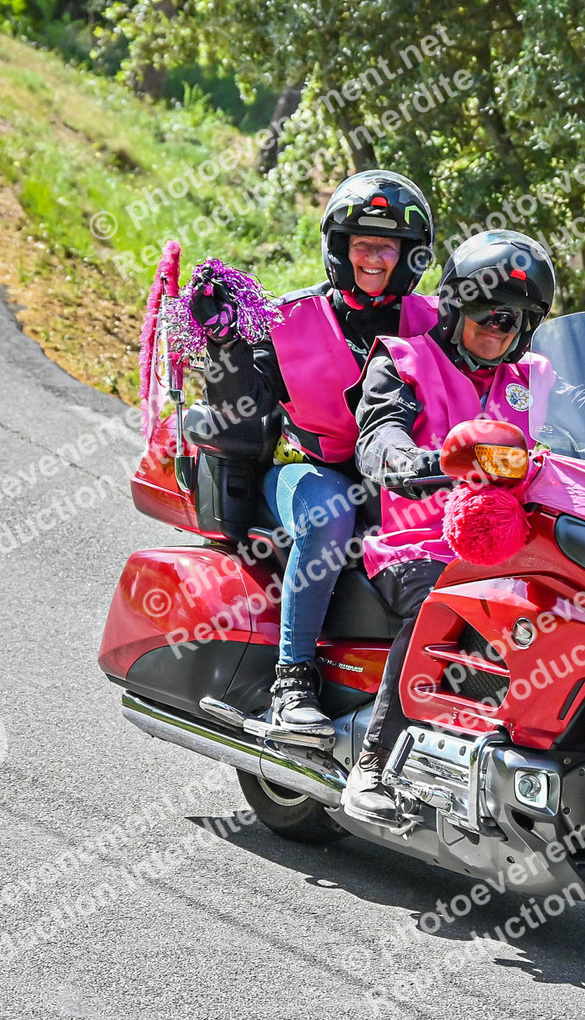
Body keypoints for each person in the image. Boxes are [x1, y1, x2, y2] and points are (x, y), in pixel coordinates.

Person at [340, 230, 585, 818]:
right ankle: (373, 763)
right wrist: (415, 463)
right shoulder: (404, 359)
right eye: (489, 312)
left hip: (520, 548)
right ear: (456, 306)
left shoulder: (533, 377)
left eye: (516, 319)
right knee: (441, 601)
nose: (500, 328)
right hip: (421, 544)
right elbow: (378, 438)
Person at [189, 170, 438, 738]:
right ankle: (292, 683)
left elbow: (507, 373)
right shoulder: (287, 320)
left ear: (411, 257)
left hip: (405, 476)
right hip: (309, 470)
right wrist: (225, 344)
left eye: (389, 247)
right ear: (338, 248)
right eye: (362, 244)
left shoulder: (435, 322)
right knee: (330, 512)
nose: (373, 258)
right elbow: (240, 414)